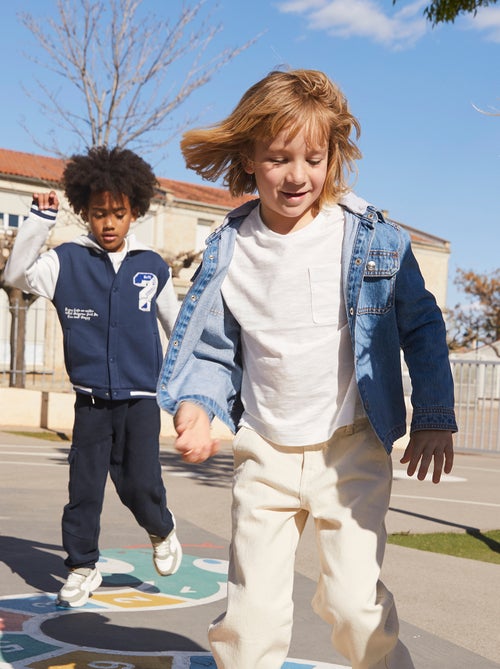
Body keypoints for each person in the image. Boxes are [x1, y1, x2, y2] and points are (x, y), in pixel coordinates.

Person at [156, 69, 458, 669]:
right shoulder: (230, 248)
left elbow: (422, 327)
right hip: (264, 453)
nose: (297, 175)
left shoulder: (369, 239)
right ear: (248, 158)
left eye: (313, 158)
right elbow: (216, 348)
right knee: (250, 621)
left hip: (348, 452)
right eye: (278, 158)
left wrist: (433, 415)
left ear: (333, 156)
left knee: (354, 609)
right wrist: (197, 404)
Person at [4, 146, 182, 608]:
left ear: (134, 212)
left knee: (139, 484)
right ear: (85, 211)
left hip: (142, 399)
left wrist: (186, 391)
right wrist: (38, 223)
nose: (108, 223)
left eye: (117, 214)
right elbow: (16, 274)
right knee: (83, 488)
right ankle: (82, 566)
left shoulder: (153, 266)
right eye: (99, 213)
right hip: (91, 402)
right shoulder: (65, 261)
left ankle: (161, 528)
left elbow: (178, 330)